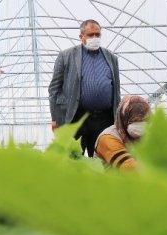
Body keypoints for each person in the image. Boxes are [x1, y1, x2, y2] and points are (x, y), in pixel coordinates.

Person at [48, 19, 121, 157]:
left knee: (103, 159)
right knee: (74, 158)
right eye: (90, 35)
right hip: (77, 117)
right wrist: (55, 119)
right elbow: (54, 90)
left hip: (104, 119)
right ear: (81, 37)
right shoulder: (66, 56)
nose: (94, 38)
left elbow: (116, 90)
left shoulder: (111, 58)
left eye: (97, 35)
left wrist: (118, 119)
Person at [94, 95, 150, 171]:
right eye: (133, 119)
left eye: (143, 119)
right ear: (122, 116)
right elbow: (129, 168)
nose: (139, 124)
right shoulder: (108, 137)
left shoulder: (148, 134)